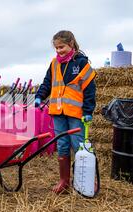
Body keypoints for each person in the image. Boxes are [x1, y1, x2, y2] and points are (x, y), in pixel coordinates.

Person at [35, 30, 97, 194]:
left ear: (71, 44)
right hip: (57, 111)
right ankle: (64, 181)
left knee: (78, 144)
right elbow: (47, 83)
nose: (58, 51)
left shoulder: (82, 63)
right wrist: (39, 96)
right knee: (62, 144)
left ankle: (85, 181)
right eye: (56, 48)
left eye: (61, 47)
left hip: (76, 113)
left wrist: (88, 110)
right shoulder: (54, 64)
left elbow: (90, 89)